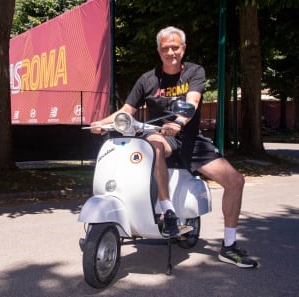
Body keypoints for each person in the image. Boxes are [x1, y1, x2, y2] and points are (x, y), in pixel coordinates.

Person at [90, 26, 258, 268]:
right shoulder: (147, 79)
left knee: (235, 181)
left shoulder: (194, 71)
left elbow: (193, 100)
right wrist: (101, 123)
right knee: (154, 145)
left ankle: (229, 246)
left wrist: (179, 122)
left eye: (175, 47)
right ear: (159, 50)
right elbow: (127, 111)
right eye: (165, 48)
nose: (171, 52)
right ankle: (168, 211)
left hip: (191, 138)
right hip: (163, 137)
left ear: (183, 48)